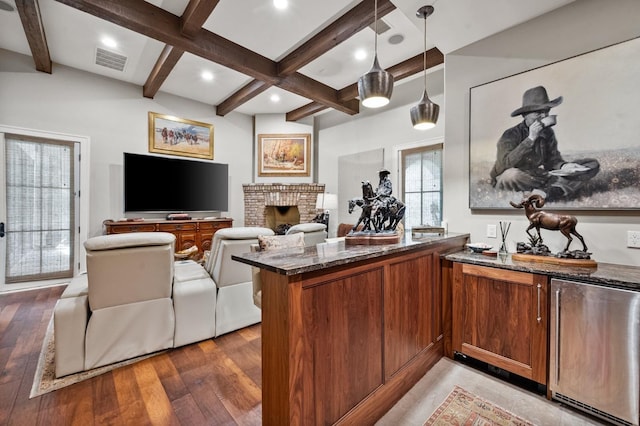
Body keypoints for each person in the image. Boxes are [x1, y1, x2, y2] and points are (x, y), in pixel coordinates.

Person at [490, 86, 599, 199]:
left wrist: (565, 166)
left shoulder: (547, 132)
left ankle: (545, 192)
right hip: (515, 177)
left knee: (590, 164)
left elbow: (552, 161)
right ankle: (554, 190)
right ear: (525, 115)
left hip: (538, 175)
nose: (544, 116)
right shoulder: (510, 134)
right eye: (538, 113)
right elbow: (506, 164)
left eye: (546, 111)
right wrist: (530, 139)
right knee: (511, 175)